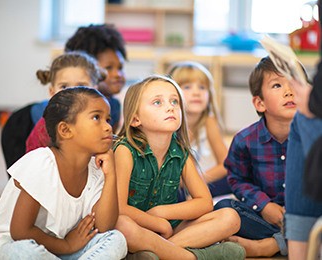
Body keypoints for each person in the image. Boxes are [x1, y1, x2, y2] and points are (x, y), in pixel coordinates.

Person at [0, 87, 127, 259]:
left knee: (116, 239)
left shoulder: (96, 168)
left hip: (57, 253)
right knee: (22, 252)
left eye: (108, 119)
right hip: (12, 246)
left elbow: (104, 226)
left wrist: (111, 175)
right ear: (65, 130)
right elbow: (20, 231)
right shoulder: (42, 163)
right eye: (96, 118)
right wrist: (66, 245)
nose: (108, 127)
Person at [113, 75, 245, 260]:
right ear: (135, 119)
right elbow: (118, 207)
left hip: (170, 229)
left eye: (174, 101)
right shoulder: (125, 151)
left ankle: (156, 252)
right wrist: (157, 224)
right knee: (121, 225)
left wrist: (161, 214)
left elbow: (204, 202)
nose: (170, 107)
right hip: (136, 226)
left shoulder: (181, 152)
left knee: (230, 218)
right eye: (157, 102)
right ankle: (191, 257)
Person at [214, 56, 300, 257]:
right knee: (225, 207)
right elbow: (237, 179)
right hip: (265, 219)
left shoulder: (314, 137)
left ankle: (271, 245)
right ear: (260, 103)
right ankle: (284, 240)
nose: (289, 91)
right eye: (277, 85)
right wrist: (263, 205)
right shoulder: (245, 140)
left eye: (295, 84)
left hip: (305, 219)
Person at [284, 1, 322, 259]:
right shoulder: (248, 137)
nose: (287, 92)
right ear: (258, 103)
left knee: (302, 120)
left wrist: (311, 100)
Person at [167, 61, 231, 199]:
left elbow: (226, 163)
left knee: (237, 179)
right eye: (187, 87)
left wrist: (199, 180)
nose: (196, 92)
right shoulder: (168, 125)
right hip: (179, 186)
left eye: (202, 87)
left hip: (206, 180)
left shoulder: (209, 121)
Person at [25, 51, 105, 152]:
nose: (72, 93)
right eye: (64, 87)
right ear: (52, 92)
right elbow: (33, 160)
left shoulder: (101, 122)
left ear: (95, 90)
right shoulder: (44, 128)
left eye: (81, 86)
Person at [65, 23, 127, 133]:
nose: (118, 74)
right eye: (108, 68)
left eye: (120, 67)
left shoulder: (114, 105)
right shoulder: (72, 108)